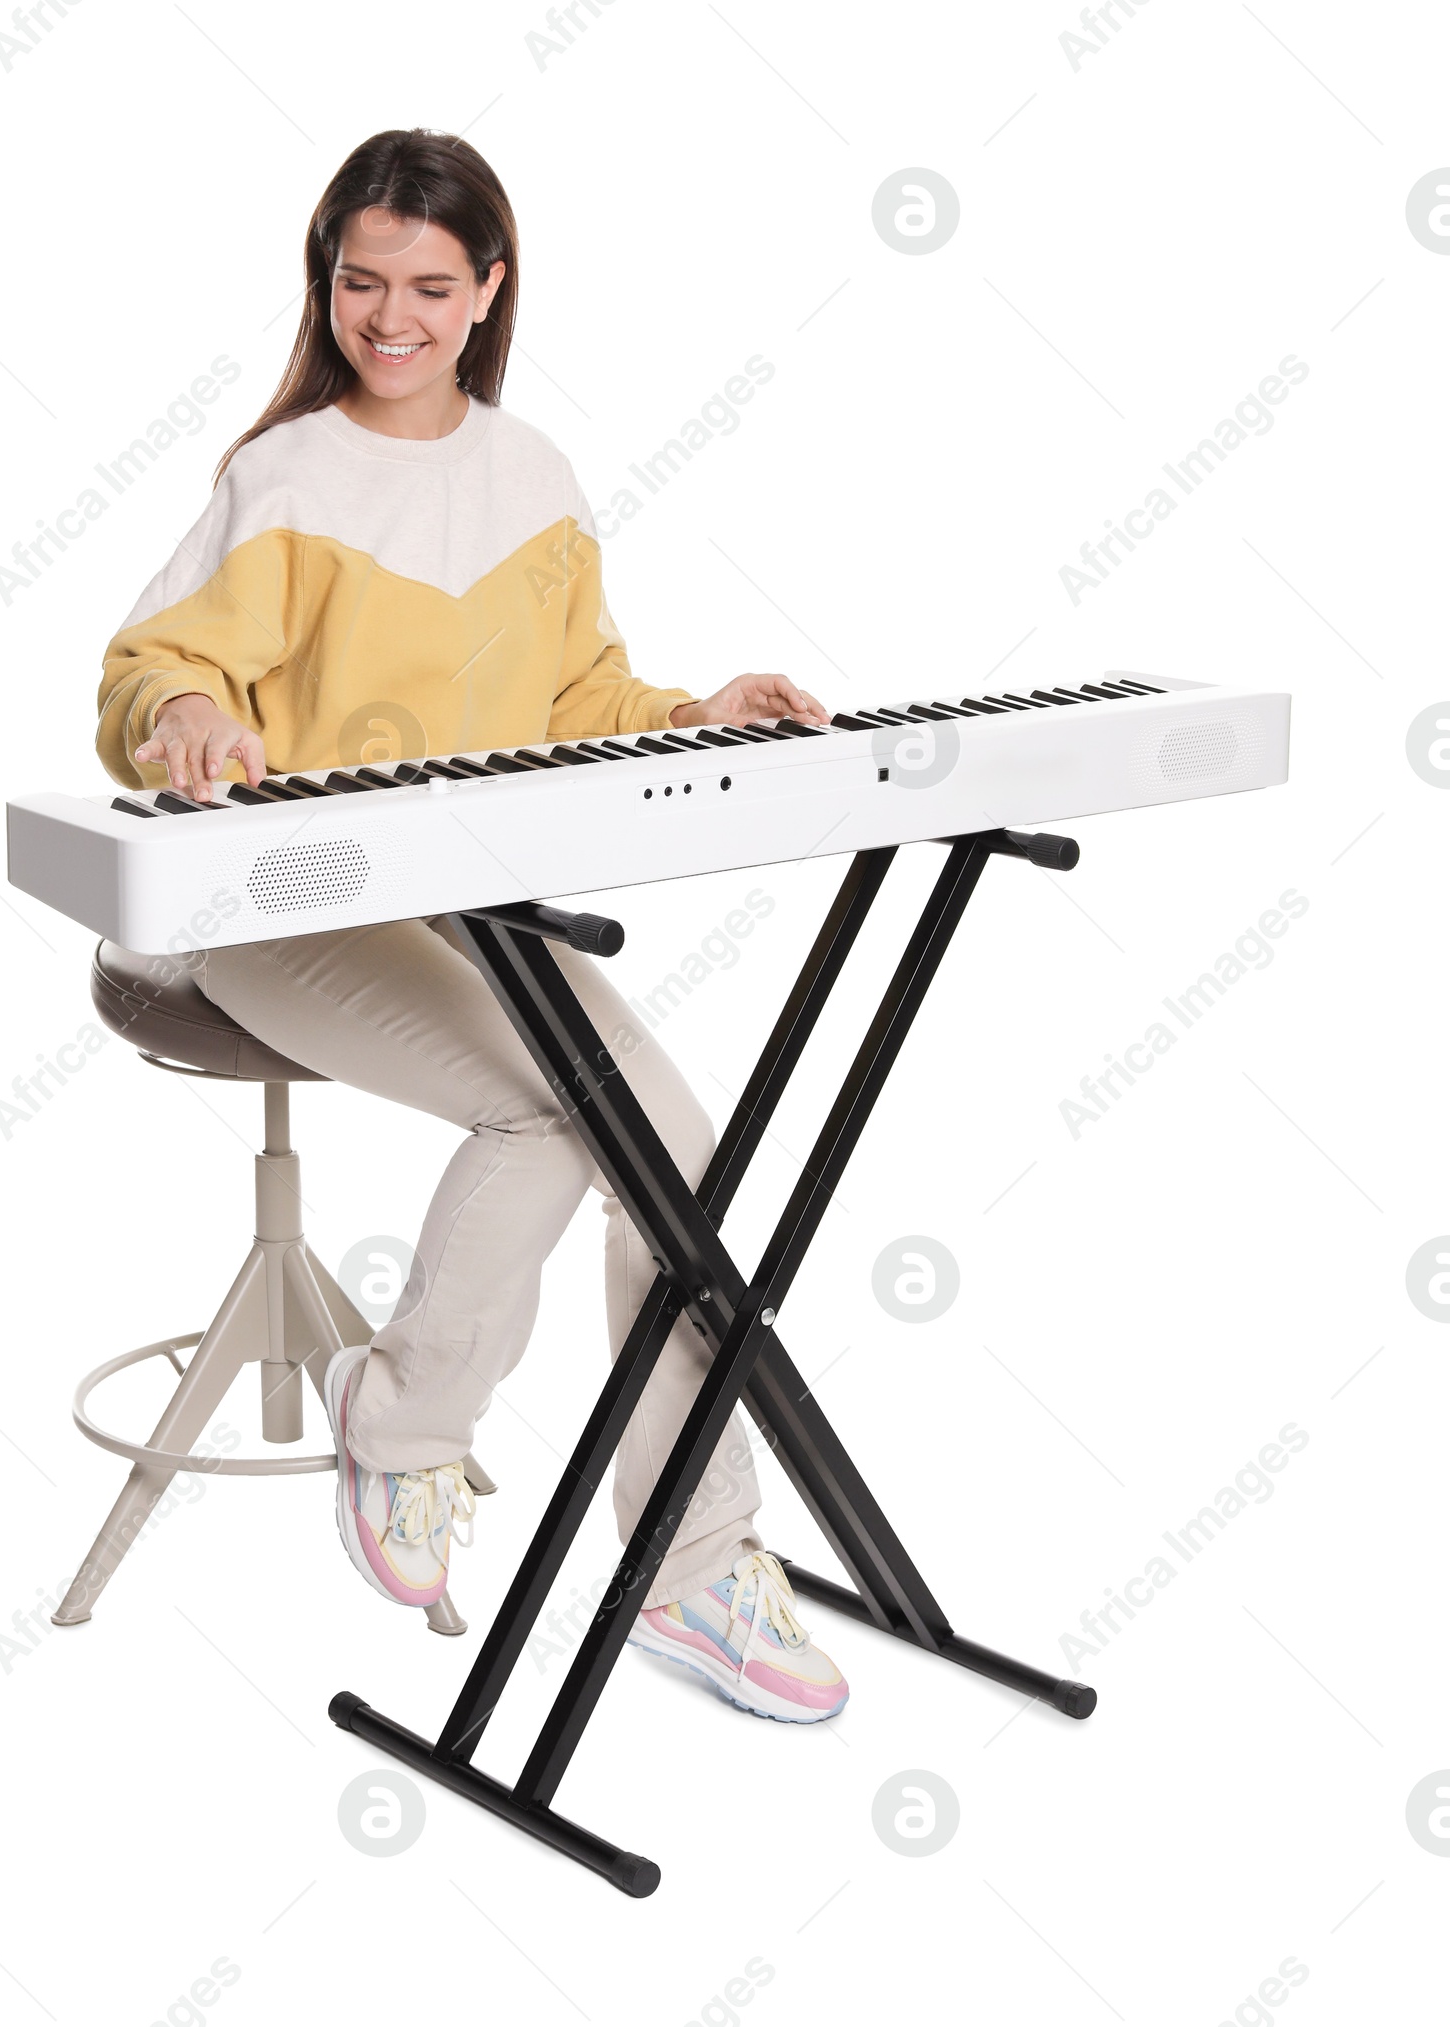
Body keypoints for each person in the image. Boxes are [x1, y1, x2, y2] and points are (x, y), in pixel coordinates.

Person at [96, 128, 847, 1725]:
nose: (393, 316)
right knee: (558, 1113)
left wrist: (694, 710)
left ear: (489, 289)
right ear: (328, 282)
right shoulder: (281, 477)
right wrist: (183, 721)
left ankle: (691, 1563)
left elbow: (575, 705)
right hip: (283, 907)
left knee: (683, 1168)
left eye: (432, 286)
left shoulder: (535, 478)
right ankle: (404, 1428)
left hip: (479, 909)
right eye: (362, 280)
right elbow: (155, 665)